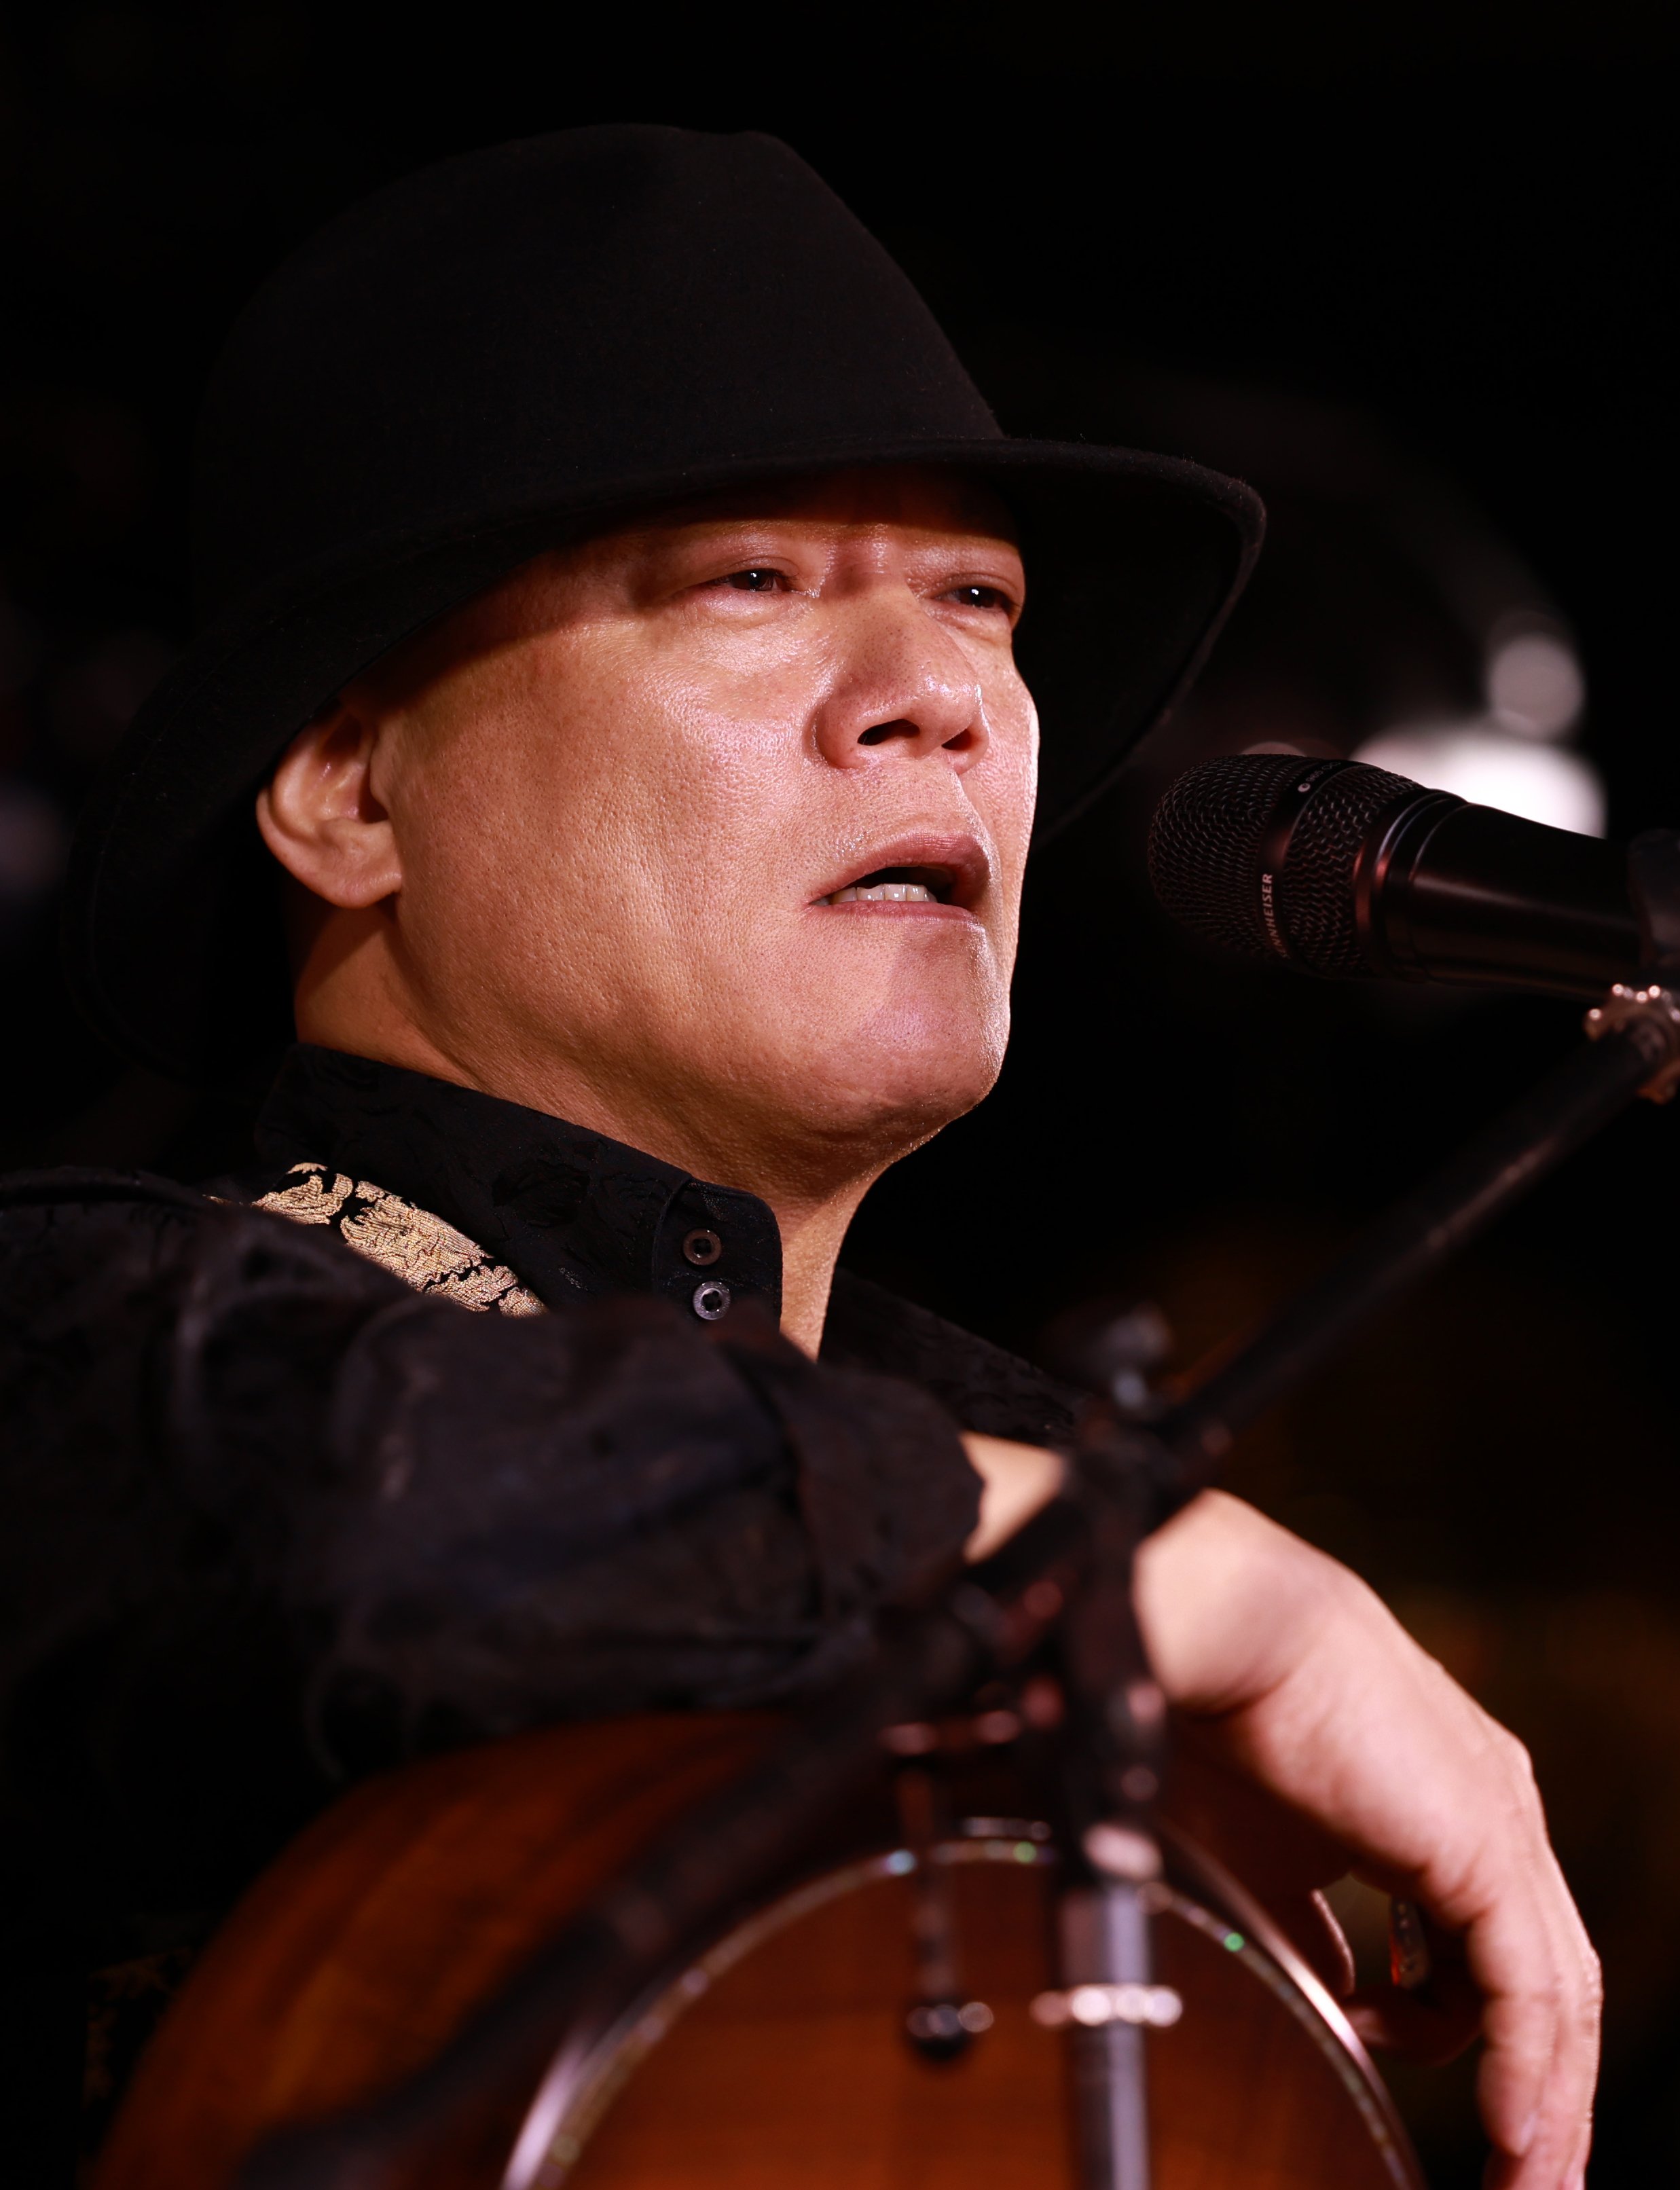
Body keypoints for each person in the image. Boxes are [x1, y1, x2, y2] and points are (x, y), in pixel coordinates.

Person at [1, 126, 1599, 2187]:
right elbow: (343, 1498)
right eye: (750, 580)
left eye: (981, 602)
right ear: (347, 789)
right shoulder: (83, 1350)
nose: (939, 696)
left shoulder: (1059, 1484)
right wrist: (1133, 1575)